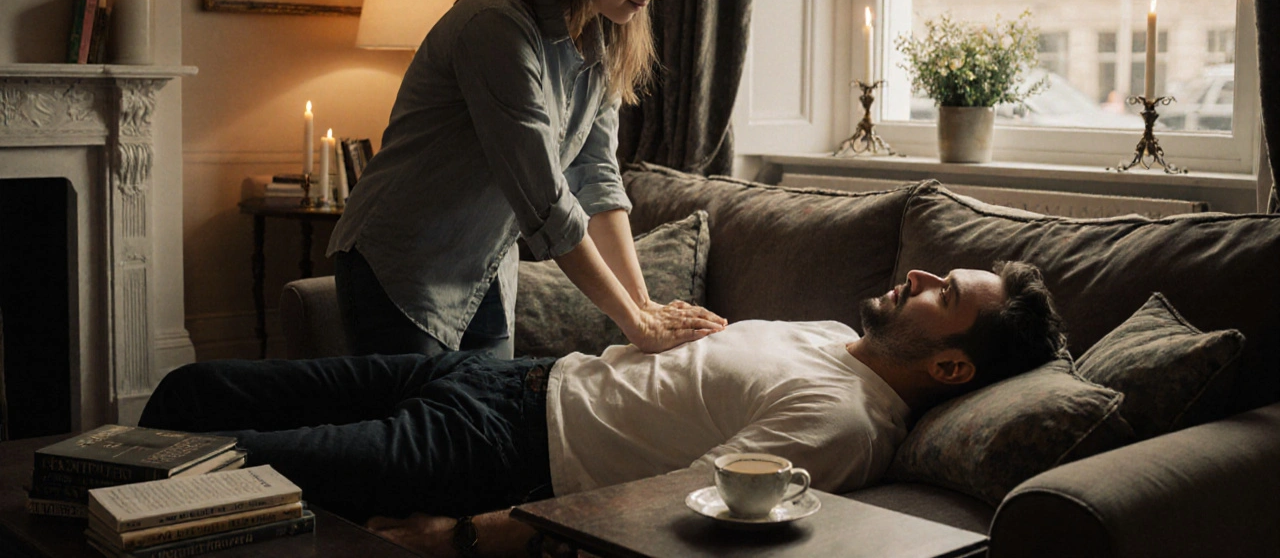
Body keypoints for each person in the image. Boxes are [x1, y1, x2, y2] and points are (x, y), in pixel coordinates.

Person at [141, 261, 1065, 557]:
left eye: (945, 291)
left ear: (950, 365)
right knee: (192, 390)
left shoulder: (842, 426)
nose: (920, 274)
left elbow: (672, 509)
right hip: (505, 377)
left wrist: (461, 538)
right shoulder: (828, 333)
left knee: (206, 463)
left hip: (496, 449)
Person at [327, 0, 724, 359]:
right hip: (402, 265)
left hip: (487, 271)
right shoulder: (495, 25)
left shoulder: (602, 40)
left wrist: (642, 303)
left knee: (490, 414)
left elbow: (596, 178)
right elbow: (546, 201)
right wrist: (635, 322)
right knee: (416, 414)